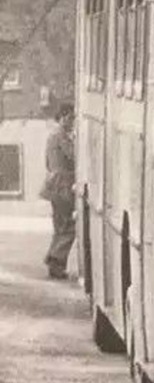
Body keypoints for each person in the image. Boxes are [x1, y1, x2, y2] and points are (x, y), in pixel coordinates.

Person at [41, 101, 75, 280]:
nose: (71, 122)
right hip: (63, 186)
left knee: (60, 225)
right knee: (68, 226)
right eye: (69, 118)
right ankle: (56, 262)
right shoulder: (61, 135)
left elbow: (47, 162)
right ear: (62, 117)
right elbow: (73, 154)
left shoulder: (51, 135)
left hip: (54, 184)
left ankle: (53, 260)